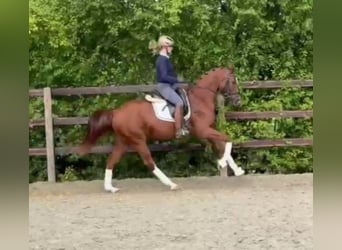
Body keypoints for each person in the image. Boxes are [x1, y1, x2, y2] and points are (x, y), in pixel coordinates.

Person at [149, 35, 188, 138]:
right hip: (164, 86)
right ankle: (179, 130)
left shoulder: (166, 59)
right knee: (179, 102)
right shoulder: (161, 60)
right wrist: (177, 80)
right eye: (170, 46)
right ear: (164, 47)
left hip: (171, 85)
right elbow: (164, 76)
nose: (172, 48)